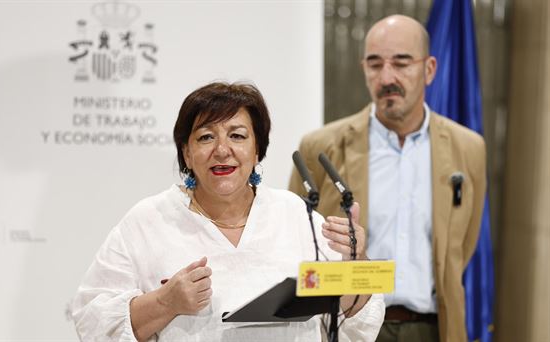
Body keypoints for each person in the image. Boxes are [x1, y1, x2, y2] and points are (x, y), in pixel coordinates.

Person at [72, 82, 385, 341]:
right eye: (206, 137)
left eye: (237, 135)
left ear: (257, 149)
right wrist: (165, 303)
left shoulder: (295, 215)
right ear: (186, 153)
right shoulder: (149, 220)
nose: (222, 150)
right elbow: (93, 322)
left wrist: (355, 267)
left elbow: (352, 327)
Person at [288, 15, 486, 342]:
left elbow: (462, 246)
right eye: (375, 64)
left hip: (434, 328)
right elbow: (294, 237)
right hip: (351, 325)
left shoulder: (468, 148)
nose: (387, 77)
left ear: (430, 69)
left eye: (401, 63)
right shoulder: (321, 147)